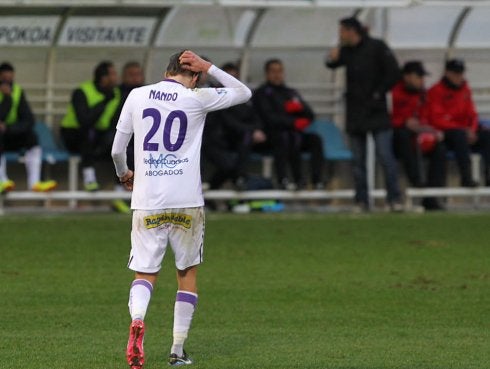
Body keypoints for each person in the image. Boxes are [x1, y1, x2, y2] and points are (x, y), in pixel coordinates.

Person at [111, 50, 251, 368]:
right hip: (186, 201)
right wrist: (211, 66)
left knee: (145, 273)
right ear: (196, 75)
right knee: (186, 274)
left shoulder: (137, 95)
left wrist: (124, 174)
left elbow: (118, 149)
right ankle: (177, 350)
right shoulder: (197, 97)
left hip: (148, 201)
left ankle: (137, 319)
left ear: (167, 70)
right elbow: (244, 92)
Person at [325, 17, 402, 211]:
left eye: (342, 31)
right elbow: (332, 64)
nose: (340, 35)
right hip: (355, 112)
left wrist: (378, 93)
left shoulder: (377, 47)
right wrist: (331, 57)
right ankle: (362, 200)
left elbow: (393, 73)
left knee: (385, 156)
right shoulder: (347, 51)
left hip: (376, 112)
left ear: (353, 31)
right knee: (358, 161)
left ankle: (394, 199)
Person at [253, 58, 324, 190]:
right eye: (273, 71)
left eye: (280, 71)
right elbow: (269, 118)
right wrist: (293, 122)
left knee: (315, 140)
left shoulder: (290, 92)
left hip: (293, 134)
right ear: (267, 74)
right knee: (284, 138)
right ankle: (283, 179)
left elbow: (310, 114)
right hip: (271, 136)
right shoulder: (261, 93)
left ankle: (316, 181)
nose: (277, 75)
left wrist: (301, 110)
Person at [391, 61, 446, 210]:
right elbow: (387, 118)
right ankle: (416, 181)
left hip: (419, 136)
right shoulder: (393, 93)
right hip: (397, 139)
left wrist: (429, 128)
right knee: (403, 136)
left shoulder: (424, 95)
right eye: (419, 76)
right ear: (407, 77)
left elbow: (428, 116)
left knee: (440, 148)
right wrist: (404, 122)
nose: (422, 80)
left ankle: (431, 195)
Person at [427, 58, 490, 187]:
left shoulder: (465, 90)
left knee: (487, 136)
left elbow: (472, 114)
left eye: (461, 73)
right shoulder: (436, 91)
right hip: (448, 134)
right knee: (460, 135)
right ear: (447, 73)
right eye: (456, 73)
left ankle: (488, 179)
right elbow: (436, 119)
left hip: (465, 132)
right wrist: (463, 129)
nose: (459, 77)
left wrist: (471, 129)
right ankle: (466, 178)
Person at [203, 62, 266, 190]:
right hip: (212, 140)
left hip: (229, 139)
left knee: (235, 158)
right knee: (229, 166)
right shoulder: (216, 94)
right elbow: (227, 120)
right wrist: (251, 129)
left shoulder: (243, 96)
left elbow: (254, 116)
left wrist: (255, 129)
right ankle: (235, 181)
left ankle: (235, 181)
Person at [60, 61, 120, 191]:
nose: (116, 77)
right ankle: (89, 178)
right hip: (72, 134)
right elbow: (85, 121)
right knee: (85, 135)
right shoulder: (81, 92)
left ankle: (121, 189)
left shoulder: (116, 93)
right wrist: (104, 101)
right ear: (104, 78)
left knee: (124, 143)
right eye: (113, 74)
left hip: (100, 134)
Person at [0, 62, 57, 193]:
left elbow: (28, 120)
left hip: (9, 135)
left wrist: (8, 128)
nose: (7, 82)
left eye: (10, 78)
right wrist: (7, 98)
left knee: (32, 137)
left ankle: (34, 183)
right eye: (4, 79)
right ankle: (2, 180)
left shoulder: (18, 92)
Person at [112, 61, 145, 213]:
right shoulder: (116, 94)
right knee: (122, 152)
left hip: (142, 137)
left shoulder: (147, 92)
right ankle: (120, 192)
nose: (135, 78)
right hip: (119, 134)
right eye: (131, 75)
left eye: (138, 74)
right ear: (123, 76)